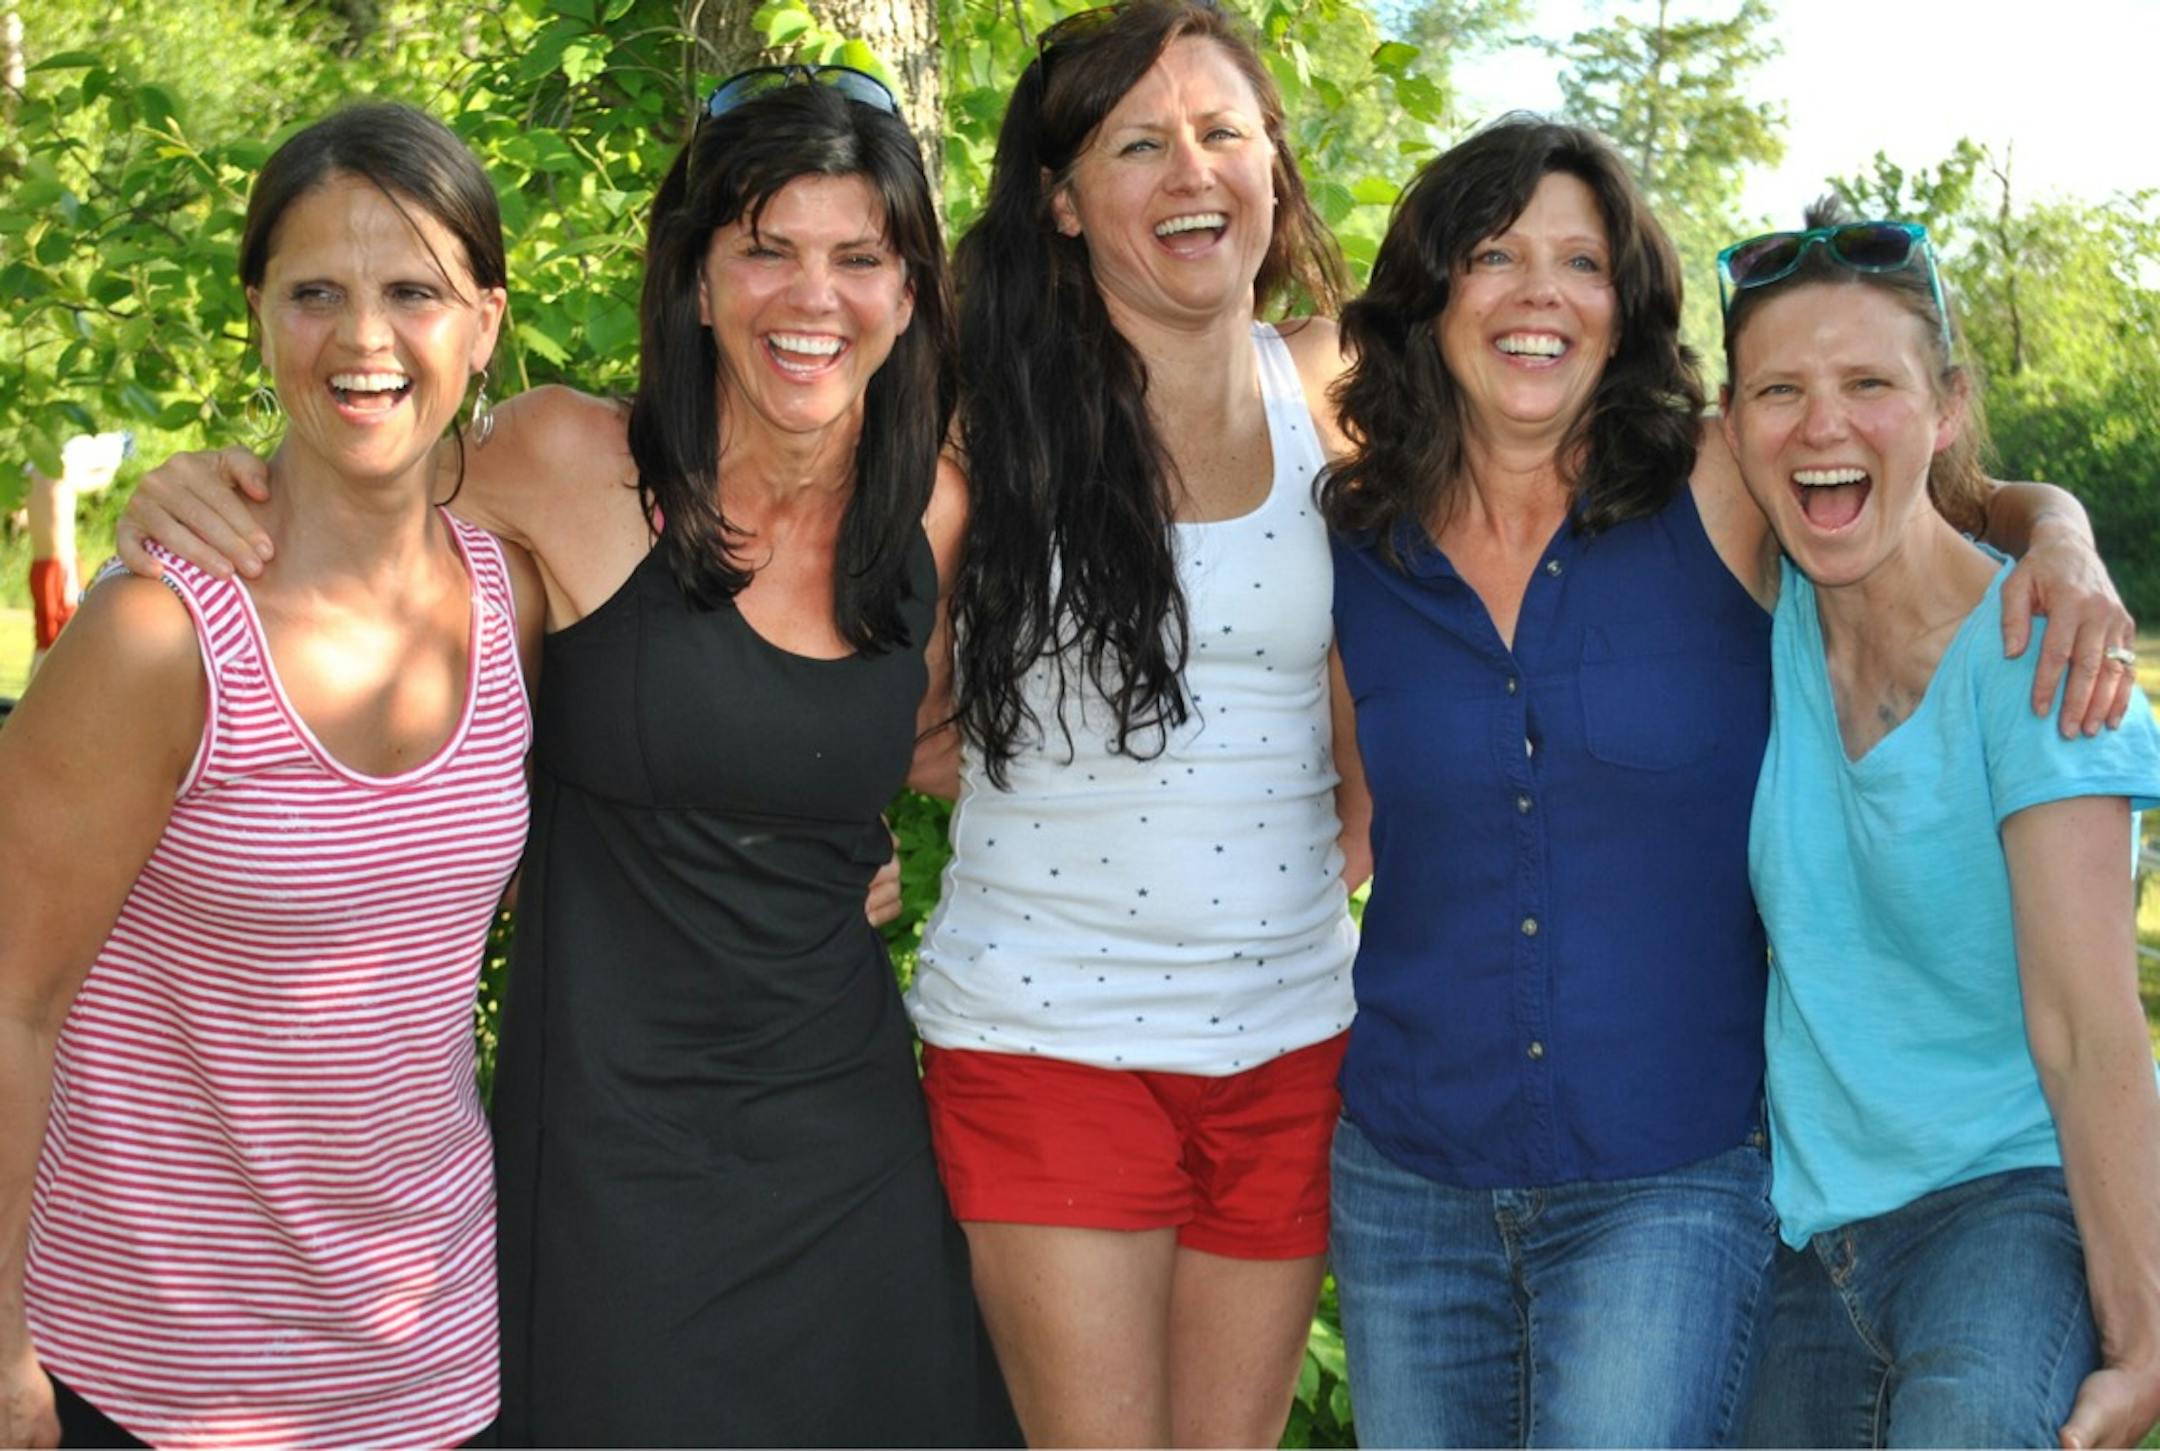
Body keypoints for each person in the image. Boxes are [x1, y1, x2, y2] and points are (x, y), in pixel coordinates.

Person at [115, 69, 1010, 1447]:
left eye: (857, 258)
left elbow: (926, 742)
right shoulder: (561, 463)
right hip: (608, 1156)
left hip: (847, 1138)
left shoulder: (932, 517)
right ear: (699, 281)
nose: (808, 297)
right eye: (763, 248)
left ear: (908, 292)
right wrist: (193, 480)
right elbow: (357, 486)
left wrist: (845, 828)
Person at [1319, 115, 2137, 1448]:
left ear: (1622, 303)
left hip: (1666, 1174)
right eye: (1492, 253)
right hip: (1409, 1170)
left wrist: (2063, 531)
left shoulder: (1710, 483)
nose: (1539, 294)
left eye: (1581, 262)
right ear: (1433, 292)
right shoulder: (1356, 536)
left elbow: (1896, 469)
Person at [0, 102, 535, 1448]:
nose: (364, 338)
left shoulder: (512, 595)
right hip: (147, 1372)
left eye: (413, 289)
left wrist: (822, 860)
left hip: (428, 1359)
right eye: (316, 291)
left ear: (483, 323)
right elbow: (9, 998)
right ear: (258, 314)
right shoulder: (158, 634)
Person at [903, 3, 1364, 1444]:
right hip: (1050, 1042)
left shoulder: (1340, 393)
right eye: (1139, 143)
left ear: (1273, 170)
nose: (1193, 172)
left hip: (1293, 1042)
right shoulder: (980, 427)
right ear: (1057, 195)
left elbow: (1685, 437)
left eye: (1225, 133)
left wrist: (2025, 515)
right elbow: (892, 715)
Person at [1717, 207, 2160, 1449]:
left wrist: (2146, 1338)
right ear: (1734, 423)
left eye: (1870, 383)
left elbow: (2088, 1030)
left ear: (1947, 405)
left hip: (2008, 1206)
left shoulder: (2040, 665)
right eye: (1779, 390)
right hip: (1806, 1233)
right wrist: (2058, 518)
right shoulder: (1757, 598)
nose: (1822, 425)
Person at [23, 431, 130, 676]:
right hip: (61, 565)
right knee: (64, 637)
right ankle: (52, 698)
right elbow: (95, 482)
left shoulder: (33, 475)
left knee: (44, 635)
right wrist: (110, 465)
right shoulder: (60, 477)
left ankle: (29, 700)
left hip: (40, 566)